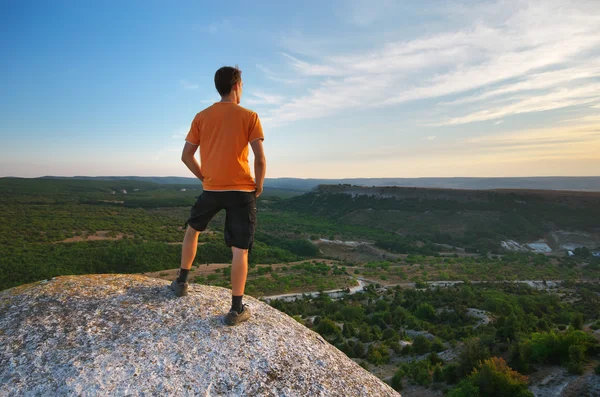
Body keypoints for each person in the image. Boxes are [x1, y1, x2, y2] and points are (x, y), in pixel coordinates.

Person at [170, 66, 266, 326]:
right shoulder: (250, 116)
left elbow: (186, 156)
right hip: (241, 191)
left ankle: (181, 282)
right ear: (237, 85)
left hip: (212, 189)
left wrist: (204, 177)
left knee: (193, 229)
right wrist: (259, 185)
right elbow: (259, 158)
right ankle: (236, 310)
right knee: (240, 250)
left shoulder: (202, 117)